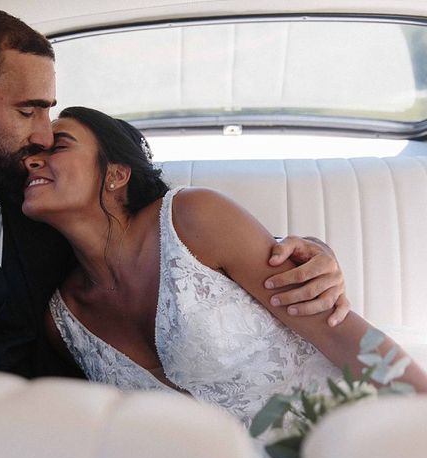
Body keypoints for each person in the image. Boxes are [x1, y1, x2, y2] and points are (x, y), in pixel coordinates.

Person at [0, 4, 347, 377]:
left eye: (50, 110)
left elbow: (153, 243)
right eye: (28, 109)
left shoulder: (47, 202)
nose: (44, 133)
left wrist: (303, 256)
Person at [21, 106, 427, 425]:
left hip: (342, 438)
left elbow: (342, 336)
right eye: (31, 154)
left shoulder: (192, 217)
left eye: (58, 146)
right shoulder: (63, 321)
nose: (32, 162)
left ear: (116, 174)